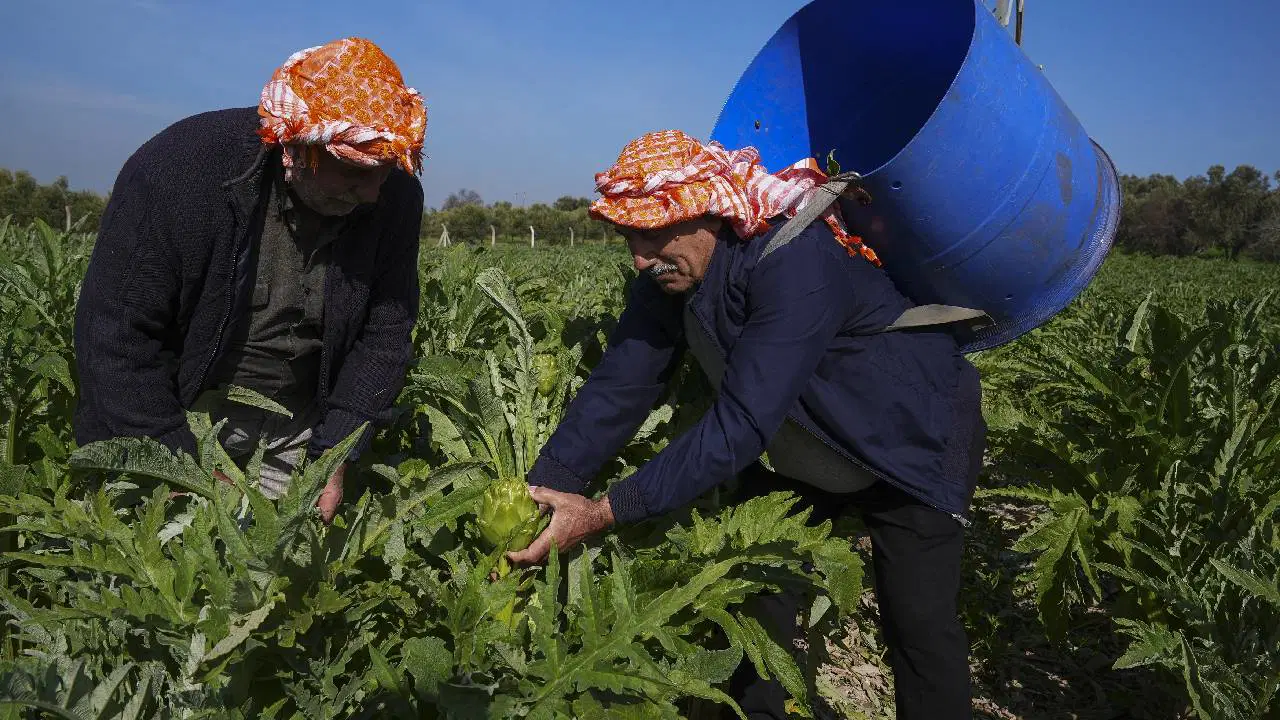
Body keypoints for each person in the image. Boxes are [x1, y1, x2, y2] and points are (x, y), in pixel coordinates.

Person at [507, 130, 986, 719]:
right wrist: (544, 489)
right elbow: (622, 383)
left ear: (709, 214)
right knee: (754, 600)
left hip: (912, 439)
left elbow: (739, 424)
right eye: (629, 237)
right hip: (803, 442)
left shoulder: (798, 260)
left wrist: (606, 510)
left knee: (917, 623)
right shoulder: (668, 278)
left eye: (654, 233)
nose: (639, 257)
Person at [73, 37, 426, 522]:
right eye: (353, 172)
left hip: (298, 426)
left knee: (281, 582)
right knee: (159, 579)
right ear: (297, 149)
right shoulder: (180, 173)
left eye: (385, 171)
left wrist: (336, 450)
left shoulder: (395, 198)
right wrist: (178, 460)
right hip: (174, 414)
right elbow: (115, 336)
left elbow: (384, 334)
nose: (370, 193)